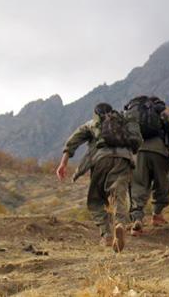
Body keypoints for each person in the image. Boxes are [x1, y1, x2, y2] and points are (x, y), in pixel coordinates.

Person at [56, 103, 142, 253]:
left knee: (95, 200)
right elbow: (137, 141)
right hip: (124, 159)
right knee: (119, 193)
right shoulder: (122, 122)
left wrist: (63, 163)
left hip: (101, 160)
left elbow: (73, 142)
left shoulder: (92, 124)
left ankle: (107, 234)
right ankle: (120, 223)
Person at [126, 96, 169, 235]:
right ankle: (157, 215)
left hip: (138, 152)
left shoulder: (135, 115)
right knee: (161, 183)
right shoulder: (160, 112)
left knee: (138, 185)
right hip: (159, 152)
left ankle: (137, 220)